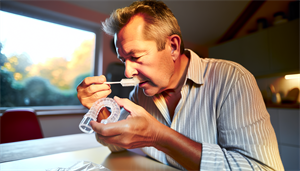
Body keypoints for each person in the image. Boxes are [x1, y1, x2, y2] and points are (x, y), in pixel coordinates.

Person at [77, 0, 284, 170]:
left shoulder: (231, 79)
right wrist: (98, 106)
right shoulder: (139, 94)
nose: (127, 72)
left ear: (173, 47)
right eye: (124, 60)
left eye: (136, 56)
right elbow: (116, 143)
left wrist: (159, 136)